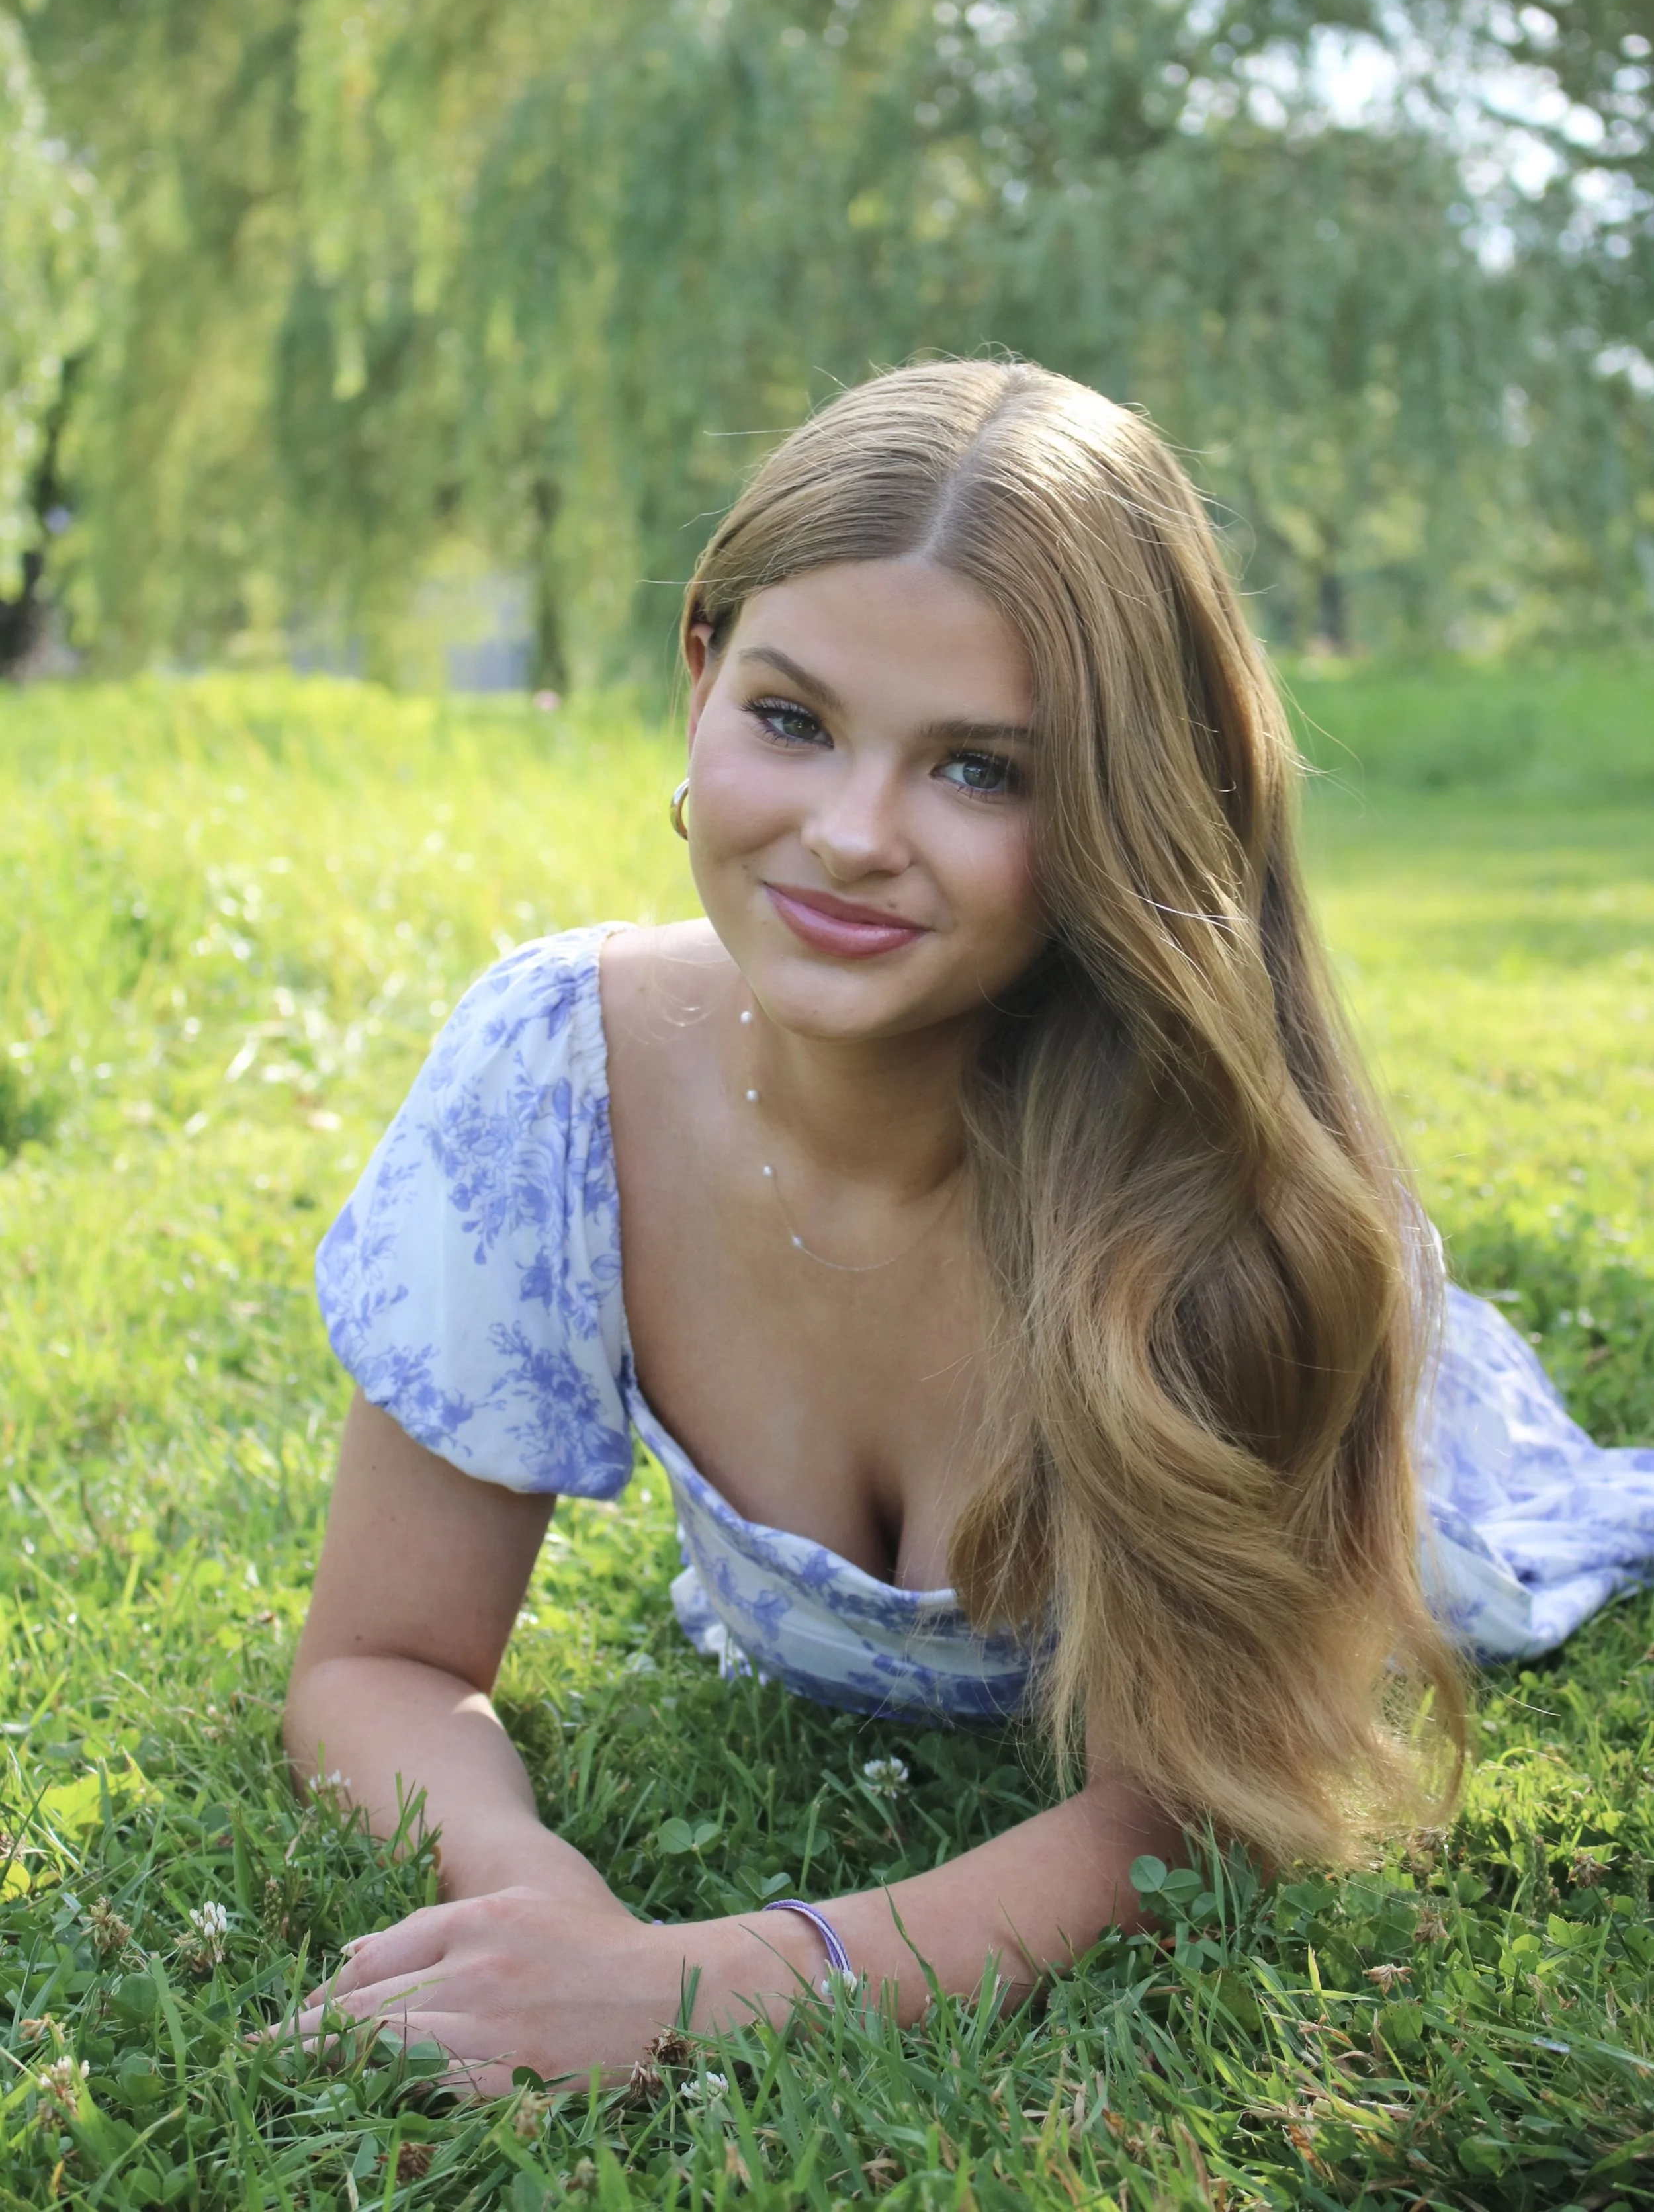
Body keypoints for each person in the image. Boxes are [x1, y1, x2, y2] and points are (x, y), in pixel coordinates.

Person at [284, 359, 1654, 2092]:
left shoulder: (1230, 1198)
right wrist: (537, 1902)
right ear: (699, 675)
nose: (850, 836)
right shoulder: (554, 1069)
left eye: (982, 769)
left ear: (1128, 799)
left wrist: (703, 1983)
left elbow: (1215, 1794)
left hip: (1405, 1450)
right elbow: (382, 1656)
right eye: (792, 720)